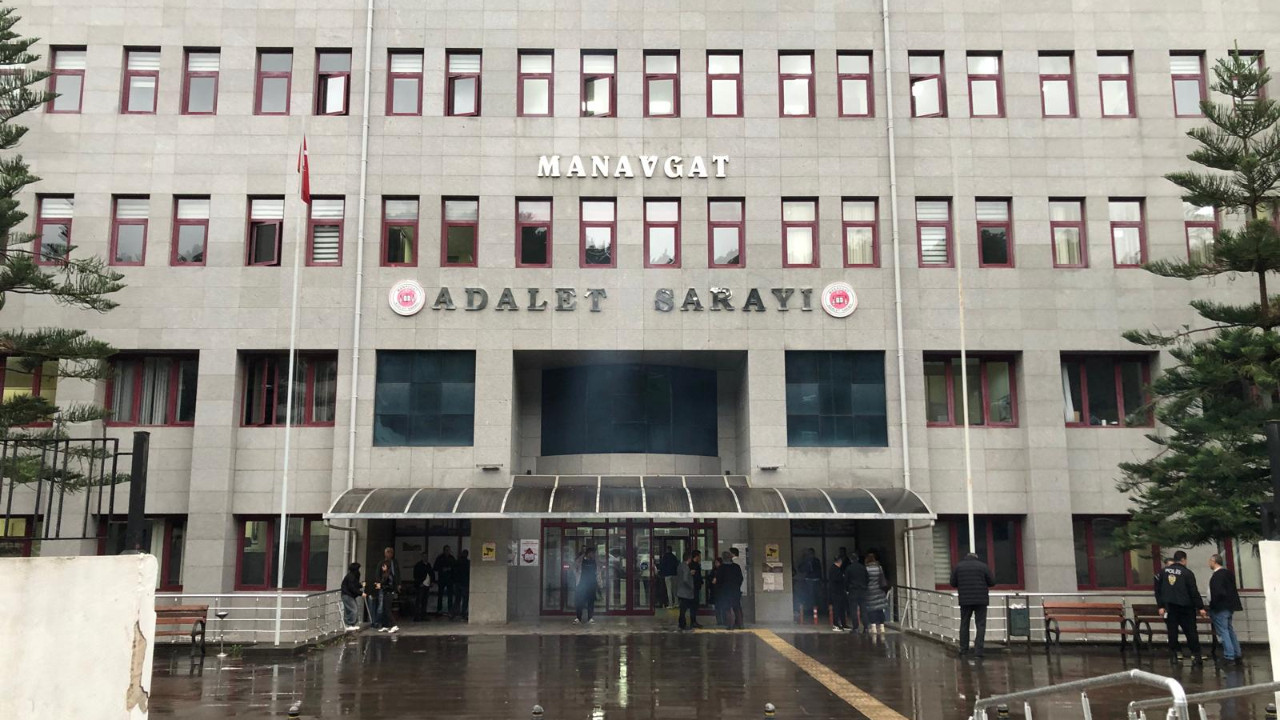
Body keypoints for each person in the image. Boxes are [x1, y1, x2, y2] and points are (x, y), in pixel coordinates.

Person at [1157, 550, 1206, 665]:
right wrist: (1200, 607)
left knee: (1172, 632)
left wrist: (1161, 605)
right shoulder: (1187, 573)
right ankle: (1196, 655)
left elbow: (1158, 591)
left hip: (1170, 607)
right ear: (1183, 560)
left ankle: (1174, 655)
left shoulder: (1163, 572)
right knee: (1191, 632)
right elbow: (1193, 591)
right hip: (1186, 607)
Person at [950, 552, 994, 657]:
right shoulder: (983, 566)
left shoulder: (958, 567)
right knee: (980, 625)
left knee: (964, 623)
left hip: (965, 600)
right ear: (976, 558)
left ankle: (963, 650)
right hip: (981, 600)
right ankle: (978, 652)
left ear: (966, 557)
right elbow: (992, 582)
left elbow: (952, 583)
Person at [1207, 553, 1242, 665]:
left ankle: (1229, 655)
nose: (1209, 563)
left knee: (1223, 631)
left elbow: (1217, 592)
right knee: (1229, 630)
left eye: (1210, 561)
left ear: (1214, 562)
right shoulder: (1228, 573)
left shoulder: (1217, 576)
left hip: (1219, 607)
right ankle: (1236, 653)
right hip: (1229, 606)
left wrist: (1213, 605)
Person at [677, 550, 704, 630]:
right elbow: (685, 579)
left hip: (681, 590)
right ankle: (683, 624)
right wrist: (691, 586)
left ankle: (682, 623)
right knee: (686, 607)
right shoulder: (686, 567)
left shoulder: (680, 565)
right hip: (686, 591)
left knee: (683, 608)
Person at [864, 552, 890, 635]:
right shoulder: (879, 568)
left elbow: (865, 580)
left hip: (870, 591)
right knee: (880, 609)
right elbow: (882, 579)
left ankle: (873, 627)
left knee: (871, 610)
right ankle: (882, 627)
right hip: (879, 590)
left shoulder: (866, 569)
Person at [717, 550, 745, 629]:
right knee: (737, 607)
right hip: (735, 590)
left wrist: (720, 589)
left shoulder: (721, 568)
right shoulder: (736, 567)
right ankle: (740, 624)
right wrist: (737, 586)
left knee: (727, 608)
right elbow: (740, 578)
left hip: (725, 591)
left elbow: (719, 580)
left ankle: (730, 625)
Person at [845, 552, 870, 633]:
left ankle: (855, 627)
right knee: (864, 609)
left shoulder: (849, 568)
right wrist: (865, 586)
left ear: (850, 560)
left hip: (853, 591)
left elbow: (846, 581)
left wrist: (847, 590)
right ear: (858, 559)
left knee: (853, 610)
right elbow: (867, 579)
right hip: (862, 591)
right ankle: (866, 627)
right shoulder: (863, 567)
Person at [797, 548, 822, 624]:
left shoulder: (816, 560)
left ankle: (816, 610)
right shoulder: (806, 560)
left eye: (811, 553)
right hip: (808, 580)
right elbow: (800, 569)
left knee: (816, 595)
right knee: (808, 595)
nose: (810, 555)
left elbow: (819, 570)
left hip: (815, 579)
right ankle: (809, 610)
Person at [575, 547, 599, 624]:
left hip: (592, 584)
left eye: (594, 553)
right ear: (588, 553)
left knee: (591, 602)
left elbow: (598, 571)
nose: (593, 555)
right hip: (582, 584)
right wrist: (583, 554)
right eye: (592, 553)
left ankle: (590, 618)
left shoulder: (595, 561)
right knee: (580, 601)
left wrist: (599, 582)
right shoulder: (581, 561)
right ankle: (578, 618)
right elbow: (575, 564)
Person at [374, 560, 399, 633]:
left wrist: (381, 586)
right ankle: (386, 625)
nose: (382, 568)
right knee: (385, 610)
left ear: (387, 567)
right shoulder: (386, 574)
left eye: (383, 566)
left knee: (387, 610)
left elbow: (390, 586)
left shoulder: (389, 575)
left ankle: (394, 625)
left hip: (388, 593)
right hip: (386, 593)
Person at [340, 562, 363, 631]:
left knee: (350, 609)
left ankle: (351, 624)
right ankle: (350, 624)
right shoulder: (351, 576)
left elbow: (354, 585)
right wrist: (360, 593)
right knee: (353, 609)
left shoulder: (351, 576)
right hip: (347, 595)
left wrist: (360, 585)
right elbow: (352, 587)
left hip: (347, 595)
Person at [434, 545, 456, 615]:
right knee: (440, 595)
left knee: (450, 596)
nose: (447, 551)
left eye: (448, 550)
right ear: (443, 550)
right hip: (442, 579)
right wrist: (442, 569)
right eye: (446, 550)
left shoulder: (452, 558)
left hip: (450, 579)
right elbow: (435, 567)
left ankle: (450, 610)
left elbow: (455, 568)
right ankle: (439, 609)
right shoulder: (440, 558)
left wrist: (450, 569)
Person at [828, 554, 848, 631]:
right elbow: (837, 579)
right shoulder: (834, 569)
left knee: (842, 608)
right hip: (836, 592)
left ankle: (843, 624)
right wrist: (843, 577)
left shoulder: (837, 568)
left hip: (840, 592)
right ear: (840, 561)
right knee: (836, 608)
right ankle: (835, 624)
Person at [412, 553, 433, 621]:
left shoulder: (428, 565)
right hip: (420, 585)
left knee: (425, 601)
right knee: (419, 601)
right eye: (424, 556)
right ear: (422, 557)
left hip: (427, 585)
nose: (425, 558)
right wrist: (420, 583)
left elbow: (431, 574)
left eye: (426, 556)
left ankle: (423, 615)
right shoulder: (418, 565)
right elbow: (415, 575)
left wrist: (431, 582)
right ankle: (417, 616)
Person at [728, 546, 746, 627]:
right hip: (740, 586)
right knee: (737, 605)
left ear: (732, 554)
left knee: (735, 605)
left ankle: (737, 622)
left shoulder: (734, 563)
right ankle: (739, 622)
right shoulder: (741, 561)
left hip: (735, 587)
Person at [454, 549, 471, 618]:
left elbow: (454, 572)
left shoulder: (457, 562)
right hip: (465, 583)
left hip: (458, 582)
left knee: (457, 599)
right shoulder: (468, 563)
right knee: (465, 600)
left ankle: (454, 613)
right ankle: (463, 613)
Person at [709, 556, 725, 625]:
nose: (716, 564)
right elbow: (710, 579)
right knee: (717, 607)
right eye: (715, 562)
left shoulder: (723, 570)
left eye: (717, 562)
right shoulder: (714, 570)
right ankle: (719, 621)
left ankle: (724, 620)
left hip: (721, 591)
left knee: (723, 607)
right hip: (715, 591)